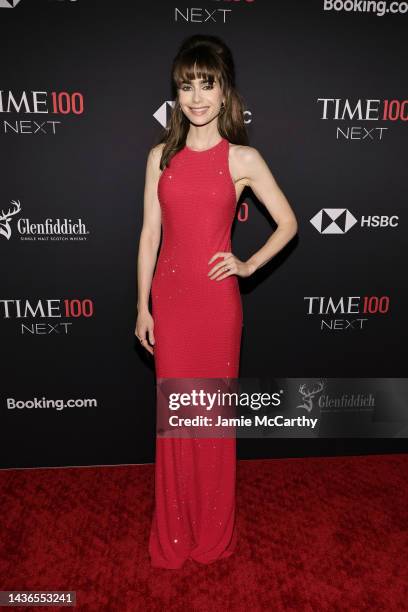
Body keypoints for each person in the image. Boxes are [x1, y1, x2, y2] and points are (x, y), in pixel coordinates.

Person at [135, 34, 298, 569]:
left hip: (216, 305)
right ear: (177, 94)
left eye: (208, 84)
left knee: (210, 421)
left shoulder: (243, 157)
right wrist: (143, 305)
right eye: (187, 86)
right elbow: (149, 235)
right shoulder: (161, 157)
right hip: (172, 303)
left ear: (226, 91)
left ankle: (212, 533)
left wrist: (248, 264)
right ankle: (176, 533)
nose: (197, 97)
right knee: (176, 419)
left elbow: (289, 223)